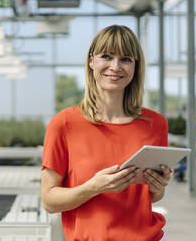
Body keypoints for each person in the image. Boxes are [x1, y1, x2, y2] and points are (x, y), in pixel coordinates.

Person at [41, 25, 171, 241]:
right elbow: (49, 200)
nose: (115, 66)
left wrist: (158, 187)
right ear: (91, 61)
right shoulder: (64, 124)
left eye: (126, 59)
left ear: (135, 67)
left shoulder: (155, 124)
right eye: (107, 56)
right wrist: (93, 187)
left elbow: (148, 198)